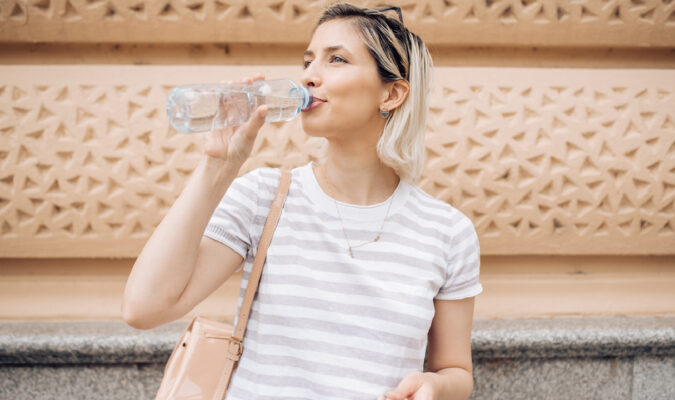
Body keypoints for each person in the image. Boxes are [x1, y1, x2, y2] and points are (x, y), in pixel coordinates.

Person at [122, 3, 482, 399]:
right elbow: (144, 308)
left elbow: (456, 370)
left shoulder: (447, 232)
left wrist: (435, 385)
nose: (310, 76)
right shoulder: (263, 197)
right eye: (308, 61)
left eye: (336, 60)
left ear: (392, 94)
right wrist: (217, 168)